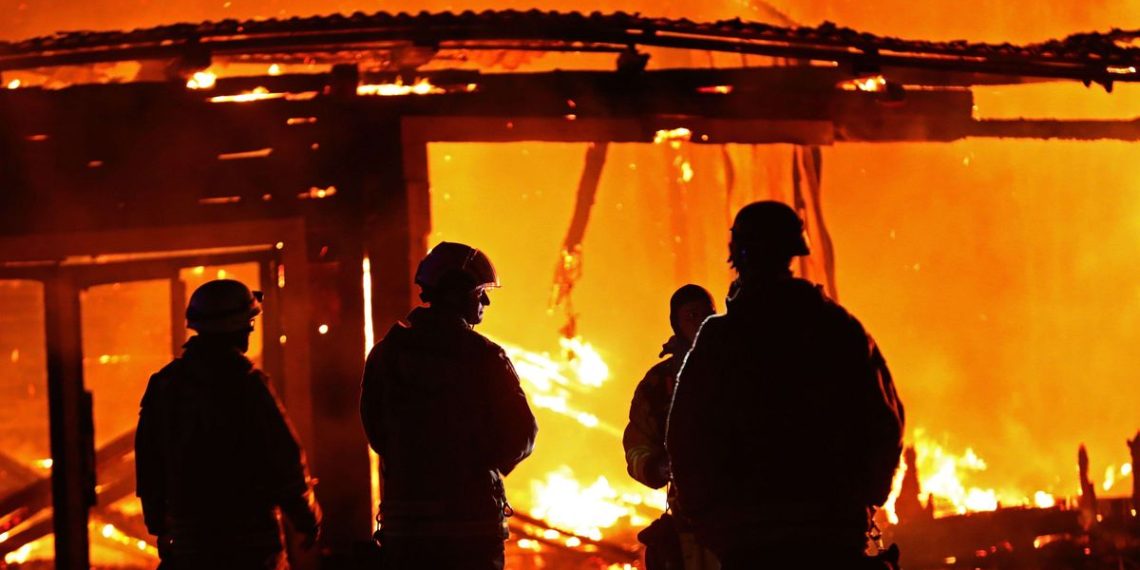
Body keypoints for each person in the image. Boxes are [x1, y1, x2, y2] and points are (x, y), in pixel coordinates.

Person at [666, 201, 905, 569]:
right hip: (831, 535)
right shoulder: (837, 329)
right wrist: (865, 497)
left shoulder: (719, 342)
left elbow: (686, 439)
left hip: (748, 543)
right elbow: (884, 422)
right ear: (793, 253)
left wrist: (710, 522)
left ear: (737, 257)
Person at [360, 242, 537, 570]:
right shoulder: (486, 358)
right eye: (479, 291)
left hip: (406, 532)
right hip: (471, 533)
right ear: (456, 293)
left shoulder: (386, 355)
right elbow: (521, 436)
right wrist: (478, 463)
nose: (485, 300)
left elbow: (377, 435)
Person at [136, 279, 321, 570]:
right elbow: (286, 462)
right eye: (249, 322)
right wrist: (307, 518)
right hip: (251, 548)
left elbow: (149, 465)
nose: (251, 329)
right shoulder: (249, 386)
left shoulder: (164, 386)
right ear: (239, 327)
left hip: (190, 548)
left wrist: (159, 524)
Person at [624, 284, 719, 570]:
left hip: (740, 517)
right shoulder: (658, 385)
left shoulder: (740, 369)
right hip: (687, 520)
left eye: (707, 315)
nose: (700, 323)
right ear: (676, 324)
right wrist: (656, 466)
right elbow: (636, 445)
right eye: (691, 315)